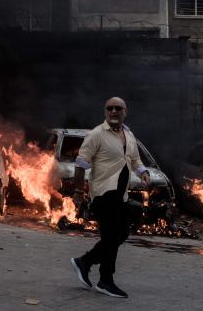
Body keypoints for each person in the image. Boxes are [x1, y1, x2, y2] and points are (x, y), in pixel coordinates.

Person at [69, 97, 150, 299]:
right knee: (112, 237)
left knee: (120, 235)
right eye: (109, 108)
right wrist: (78, 192)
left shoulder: (129, 135)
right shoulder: (96, 134)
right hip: (104, 194)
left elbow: (135, 159)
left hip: (121, 195)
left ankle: (85, 262)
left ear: (125, 112)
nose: (114, 111)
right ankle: (106, 280)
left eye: (118, 108)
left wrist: (143, 172)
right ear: (105, 112)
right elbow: (81, 163)